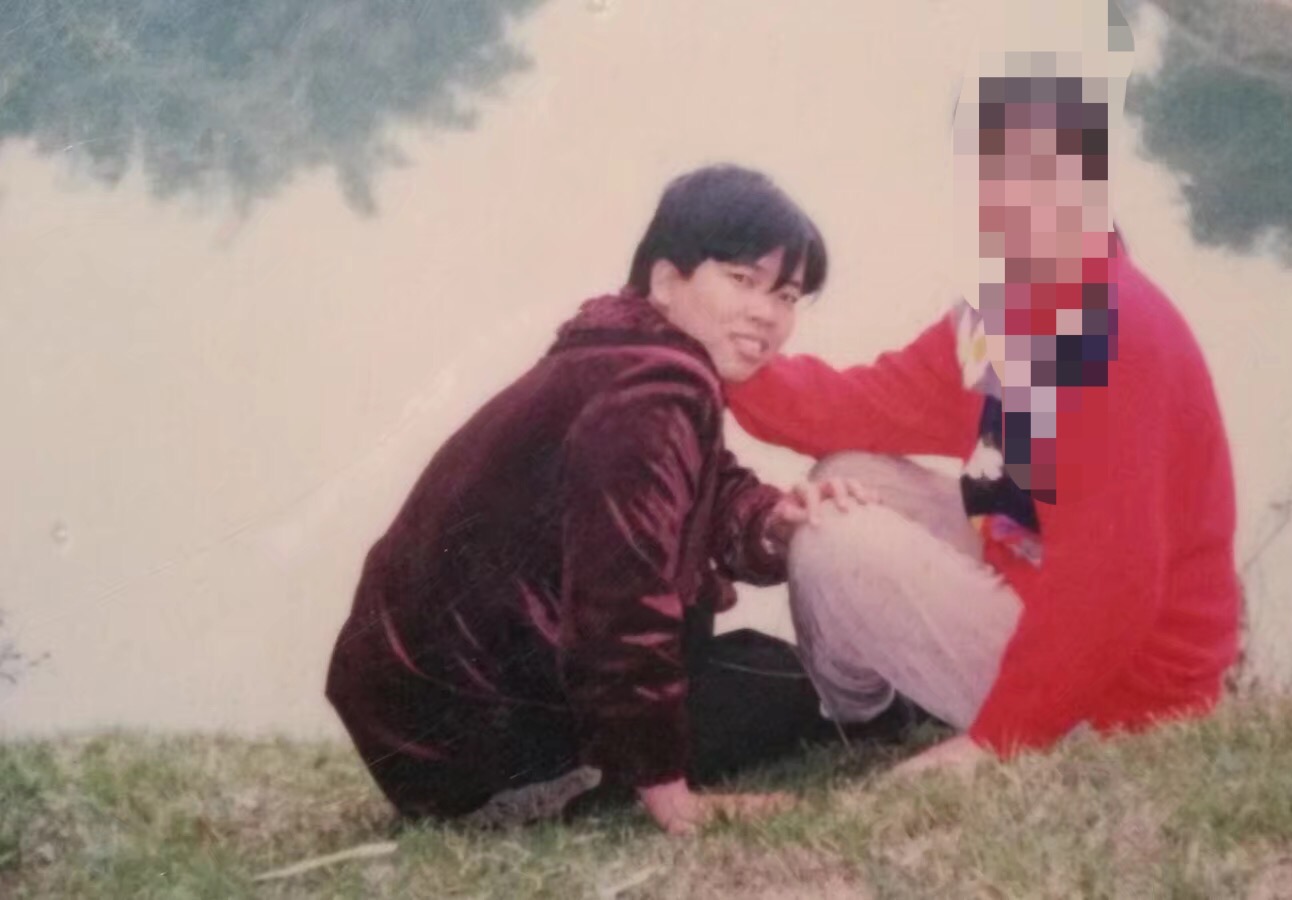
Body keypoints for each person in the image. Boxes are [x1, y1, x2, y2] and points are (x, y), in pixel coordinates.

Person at [726, 57, 1242, 776]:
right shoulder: (1015, 307)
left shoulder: (1112, 334)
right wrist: (723, 355)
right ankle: (865, 720)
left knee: (829, 537)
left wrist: (998, 740)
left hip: (1128, 700)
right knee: (848, 474)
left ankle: (871, 726)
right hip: (1034, 578)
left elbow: (1111, 585)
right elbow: (857, 408)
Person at [325, 164, 877, 834]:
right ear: (666, 281)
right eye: (742, 279)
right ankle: (564, 788)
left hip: (427, 729)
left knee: (763, 667)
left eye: (786, 295)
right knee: (787, 692)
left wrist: (772, 524)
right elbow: (622, 599)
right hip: (488, 748)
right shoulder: (649, 391)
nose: (768, 314)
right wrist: (671, 797)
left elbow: (706, 487)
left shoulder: (626, 358)